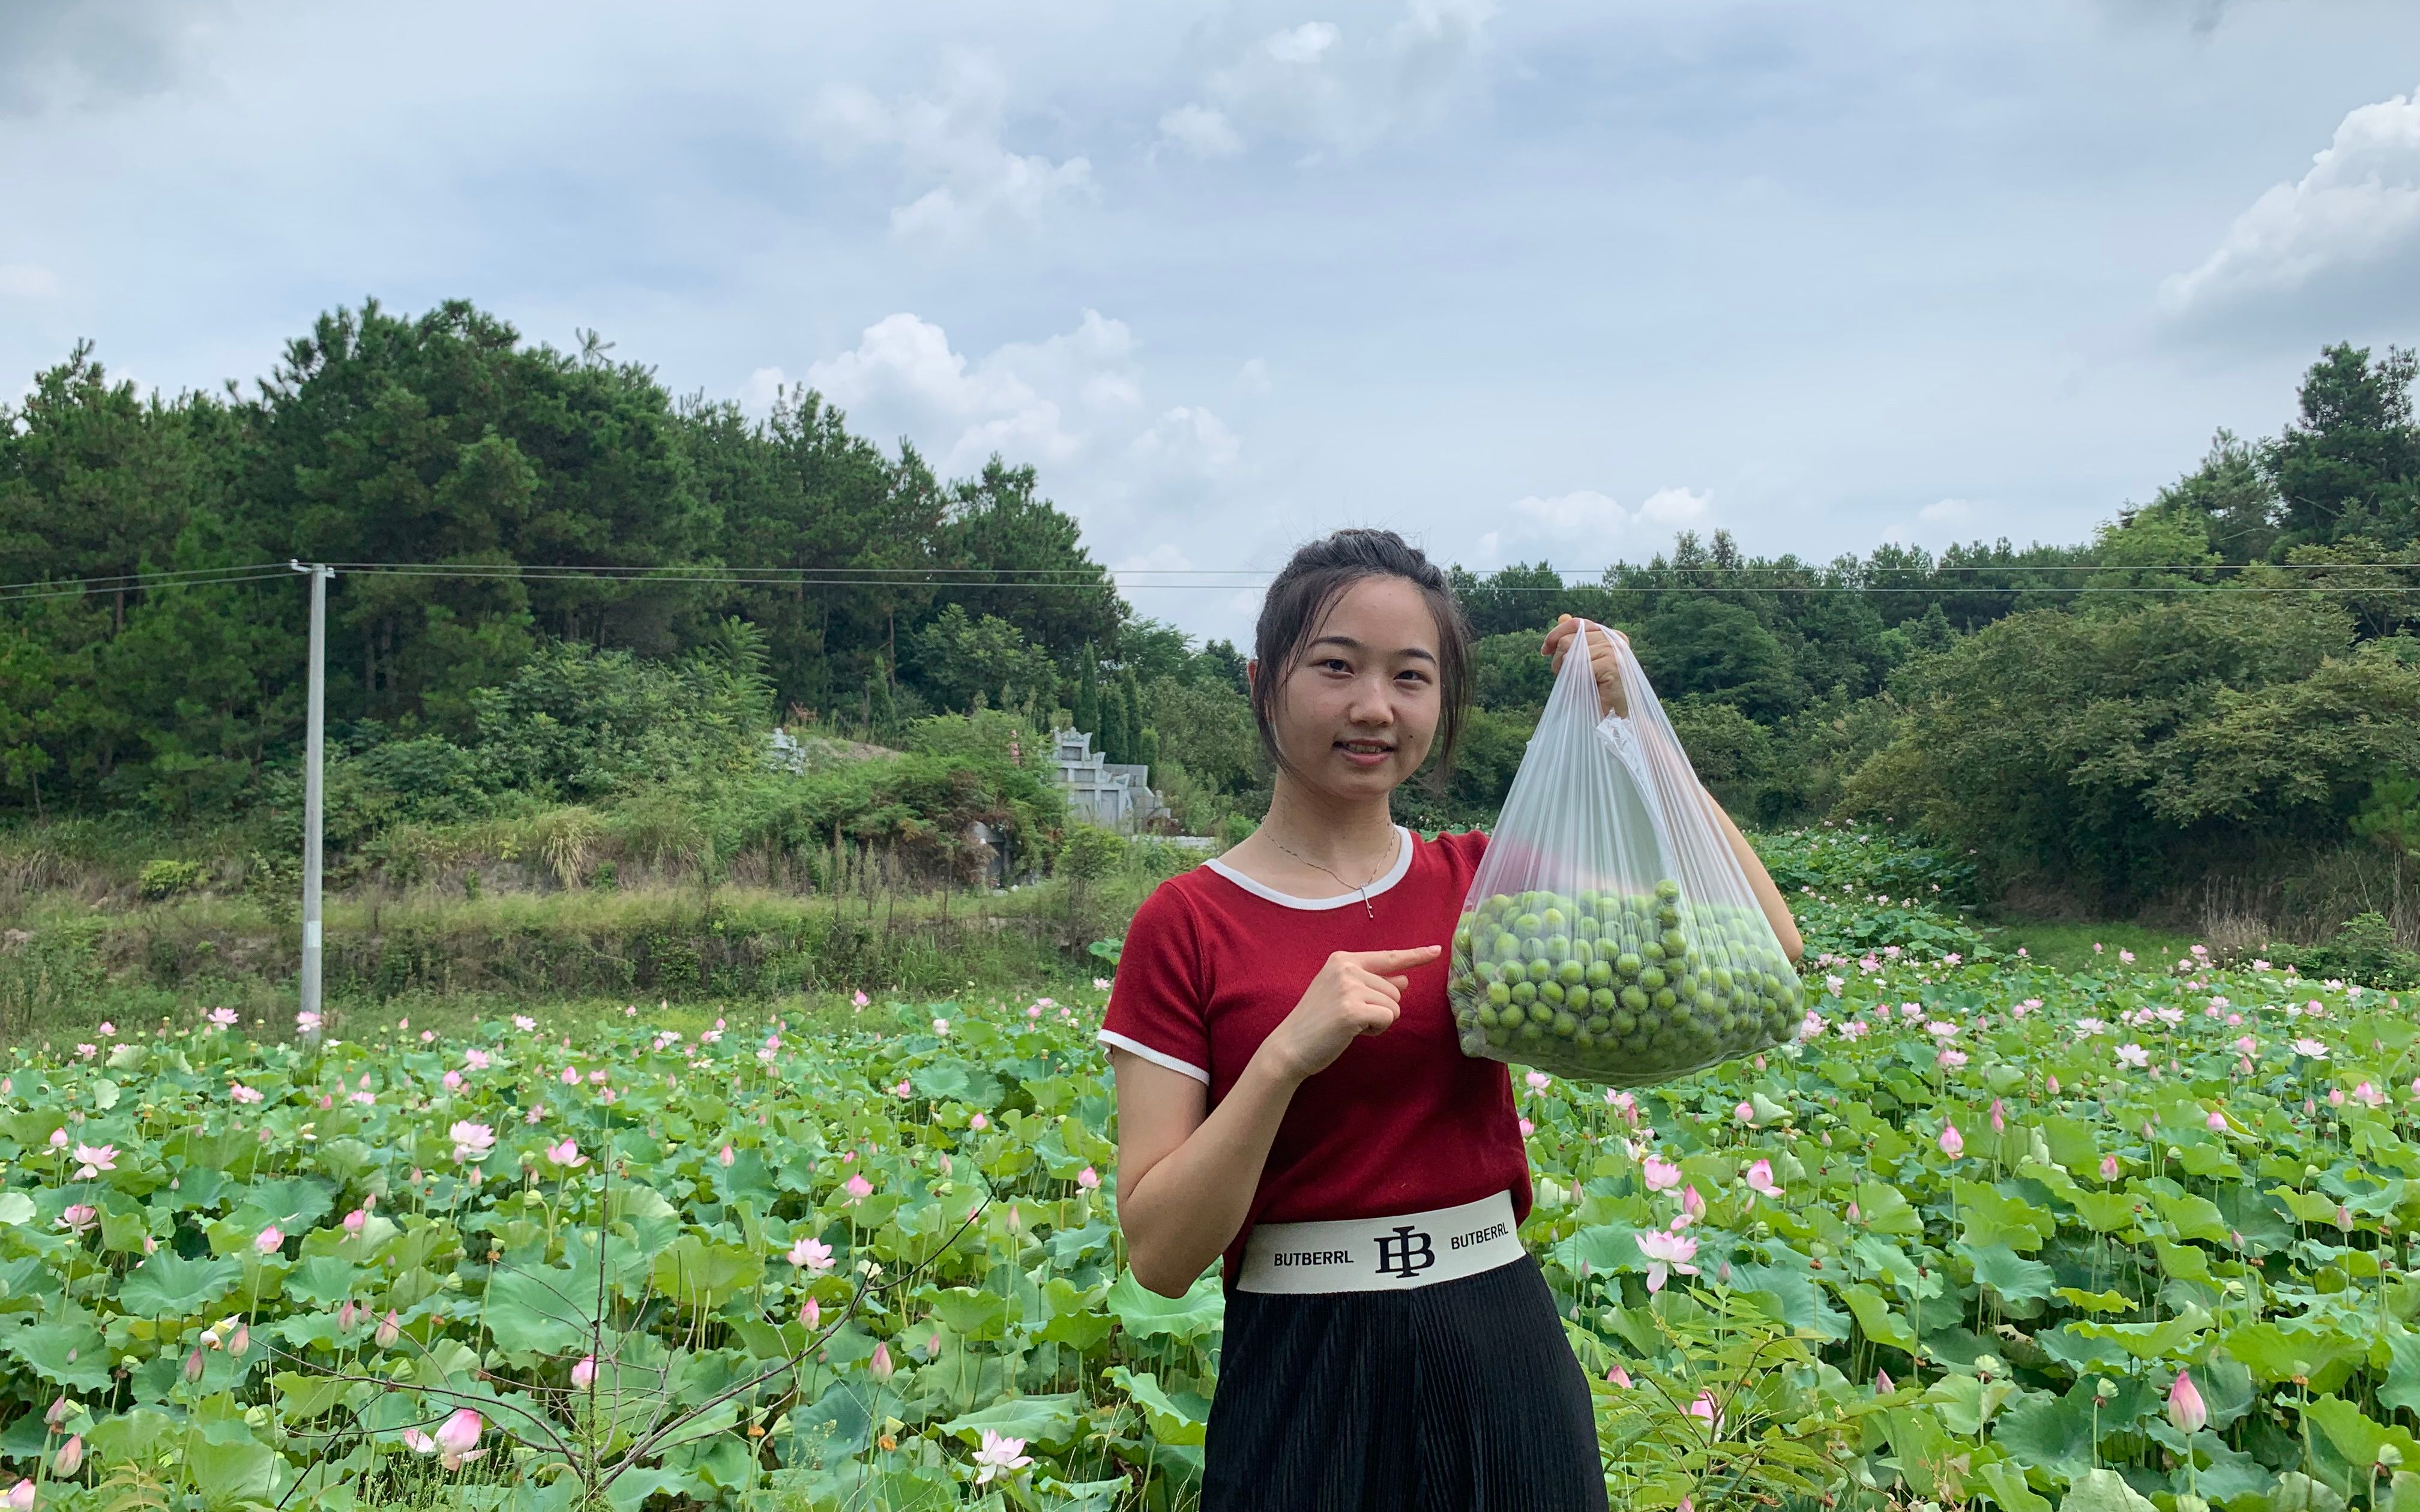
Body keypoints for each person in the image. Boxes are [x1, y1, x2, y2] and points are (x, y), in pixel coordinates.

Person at [1098, 528, 1803, 1511]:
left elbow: (1771, 943)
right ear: (1264, 681)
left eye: (1412, 677)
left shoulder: (1487, 885)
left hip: (1499, 1341)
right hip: (1305, 1369)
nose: (1374, 707)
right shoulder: (1186, 922)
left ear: (1444, 703)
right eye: (1336, 667)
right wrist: (1282, 1061)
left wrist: (1635, 723)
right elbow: (1161, 1257)